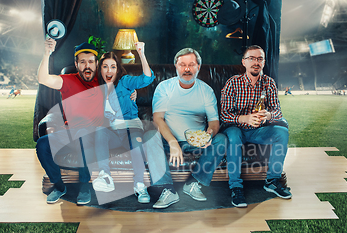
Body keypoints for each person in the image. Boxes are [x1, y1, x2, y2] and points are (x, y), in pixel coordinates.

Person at [144, 48, 228, 209]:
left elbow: (214, 123)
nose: (187, 69)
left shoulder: (206, 91)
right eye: (182, 65)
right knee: (149, 134)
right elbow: (158, 119)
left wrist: (208, 135)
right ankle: (167, 190)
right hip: (168, 140)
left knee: (221, 139)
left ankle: (193, 184)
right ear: (176, 66)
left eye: (191, 65)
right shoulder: (164, 88)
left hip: (196, 141)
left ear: (198, 67)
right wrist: (173, 142)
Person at [220, 45, 291, 208]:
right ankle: (236, 187)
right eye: (251, 58)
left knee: (282, 132)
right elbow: (224, 115)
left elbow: (278, 111)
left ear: (264, 63)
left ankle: (272, 180)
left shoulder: (269, 83)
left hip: (259, 130)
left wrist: (268, 115)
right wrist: (245, 118)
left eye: (259, 59)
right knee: (233, 135)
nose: (256, 62)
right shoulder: (233, 83)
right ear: (244, 62)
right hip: (236, 129)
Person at [35, 38, 104, 206]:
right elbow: (43, 78)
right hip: (69, 133)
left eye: (90, 62)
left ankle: (84, 187)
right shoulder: (68, 80)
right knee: (42, 145)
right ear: (76, 63)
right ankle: (59, 186)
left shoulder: (103, 81)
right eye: (82, 62)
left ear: (96, 63)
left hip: (93, 135)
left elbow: (126, 87)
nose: (87, 66)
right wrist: (47, 53)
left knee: (83, 134)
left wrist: (133, 96)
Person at [92, 42, 155, 204]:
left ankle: (139, 185)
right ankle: (105, 177)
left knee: (136, 139)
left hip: (130, 126)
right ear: (100, 69)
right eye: (105, 66)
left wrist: (141, 53)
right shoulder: (95, 88)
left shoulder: (125, 82)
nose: (109, 70)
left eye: (113, 67)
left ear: (118, 69)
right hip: (111, 132)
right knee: (100, 130)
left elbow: (147, 78)